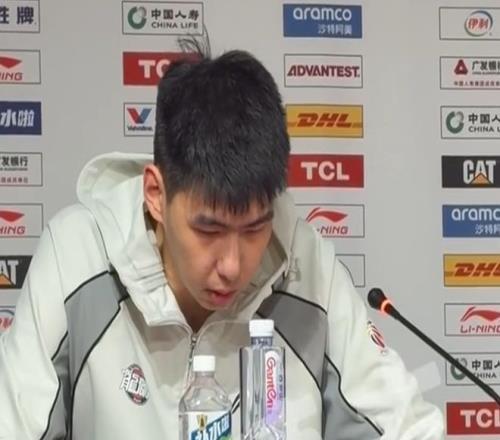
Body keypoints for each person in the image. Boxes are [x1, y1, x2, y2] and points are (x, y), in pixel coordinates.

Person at [0, 40, 444, 439]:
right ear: (156, 194)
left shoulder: (307, 265)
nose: (232, 264)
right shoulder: (76, 257)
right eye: (208, 230)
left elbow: (408, 427)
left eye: (254, 229)